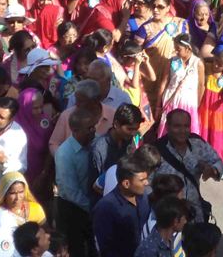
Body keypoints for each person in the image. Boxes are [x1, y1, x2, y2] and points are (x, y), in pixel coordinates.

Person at [154, 109, 223, 222]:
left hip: (195, 214)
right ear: (167, 127)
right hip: (168, 219)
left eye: (186, 126)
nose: (182, 131)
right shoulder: (156, 150)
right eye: (177, 126)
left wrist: (213, 170)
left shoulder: (198, 143)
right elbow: (146, 186)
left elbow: (218, 162)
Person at [54, 109, 97, 257]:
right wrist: (93, 208)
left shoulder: (94, 143)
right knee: (76, 250)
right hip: (72, 209)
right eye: (89, 128)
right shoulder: (64, 154)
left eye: (94, 126)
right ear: (76, 130)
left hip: (90, 205)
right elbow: (70, 191)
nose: (94, 131)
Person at [92, 157, 151, 257]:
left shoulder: (144, 198)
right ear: (126, 183)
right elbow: (105, 248)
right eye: (142, 180)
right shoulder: (106, 208)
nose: (147, 183)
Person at [90, 103, 144, 190]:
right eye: (129, 129)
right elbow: (95, 185)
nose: (133, 133)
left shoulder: (136, 138)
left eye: (136, 129)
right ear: (116, 124)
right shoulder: (99, 149)